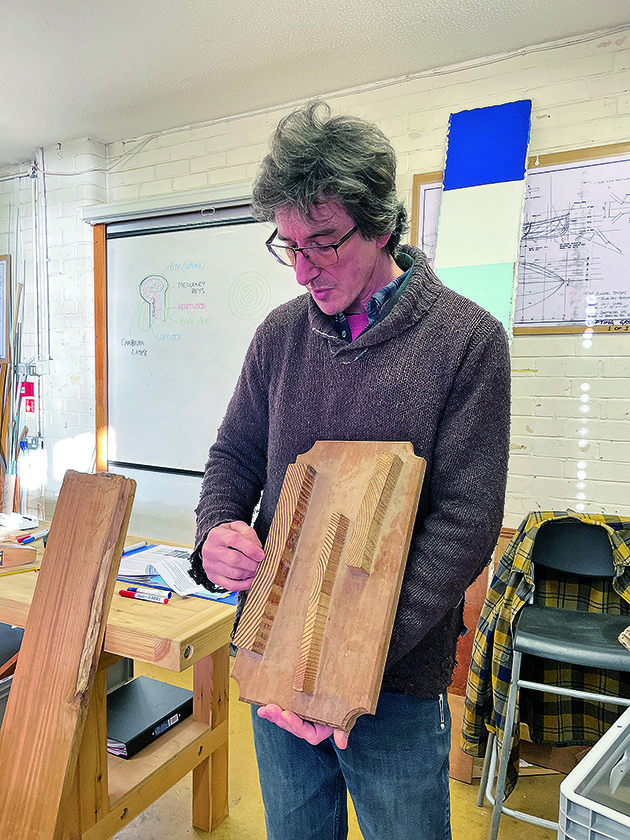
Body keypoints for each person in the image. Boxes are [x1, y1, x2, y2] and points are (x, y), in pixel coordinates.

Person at [190, 100, 511, 840]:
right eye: (288, 244)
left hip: (393, 682)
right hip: (273, 663)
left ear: (381, 225)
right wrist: (218, 529)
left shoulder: (466, 342)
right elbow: (233, 455)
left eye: (325, 244)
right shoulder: (279, 336)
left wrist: (344, 666)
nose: (303, 269)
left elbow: (465, 522)